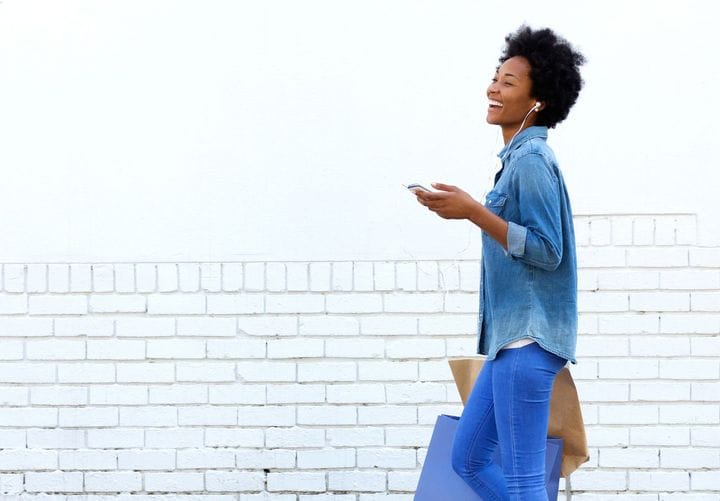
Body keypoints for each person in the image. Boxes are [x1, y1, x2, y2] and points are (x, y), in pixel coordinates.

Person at [413, 25, 586, 500]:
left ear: (538, 101)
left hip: (529, 341)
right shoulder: (516, 160)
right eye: (495, 78)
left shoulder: (531, 160)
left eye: (509, 82)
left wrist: (474, 212)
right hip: (510, 343)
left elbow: (549, 250)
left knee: (527, 480)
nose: (493, 87)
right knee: (467, 457)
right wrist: (471, 211)